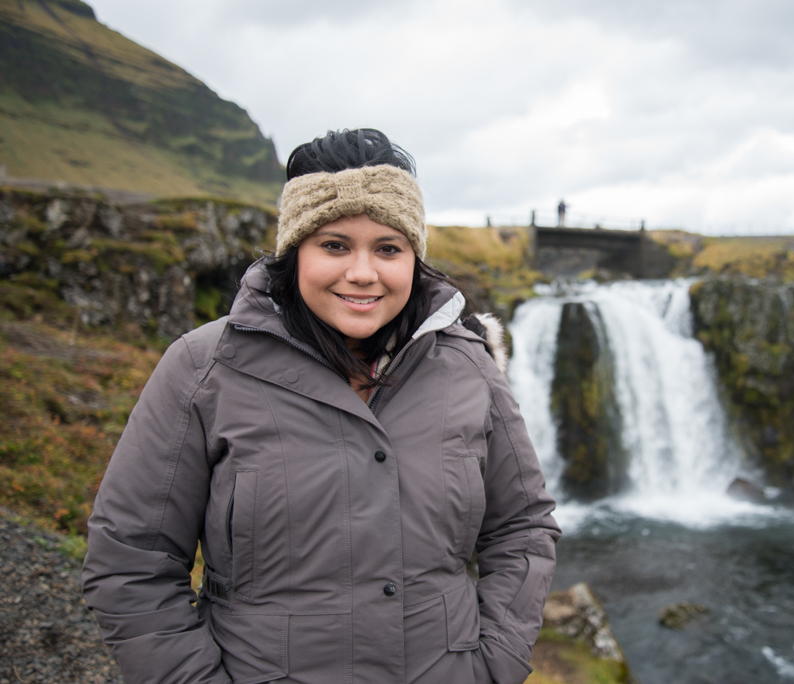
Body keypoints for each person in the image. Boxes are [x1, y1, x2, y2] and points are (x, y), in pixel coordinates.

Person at [82, 129, 560, 684]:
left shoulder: (469, 365)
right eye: (334, 245)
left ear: (414, 257)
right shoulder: (204, 368)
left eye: (388, 248)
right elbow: (130, 559)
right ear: (295, 252)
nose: (363, 272)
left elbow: (523, 527)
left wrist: (494, 665)